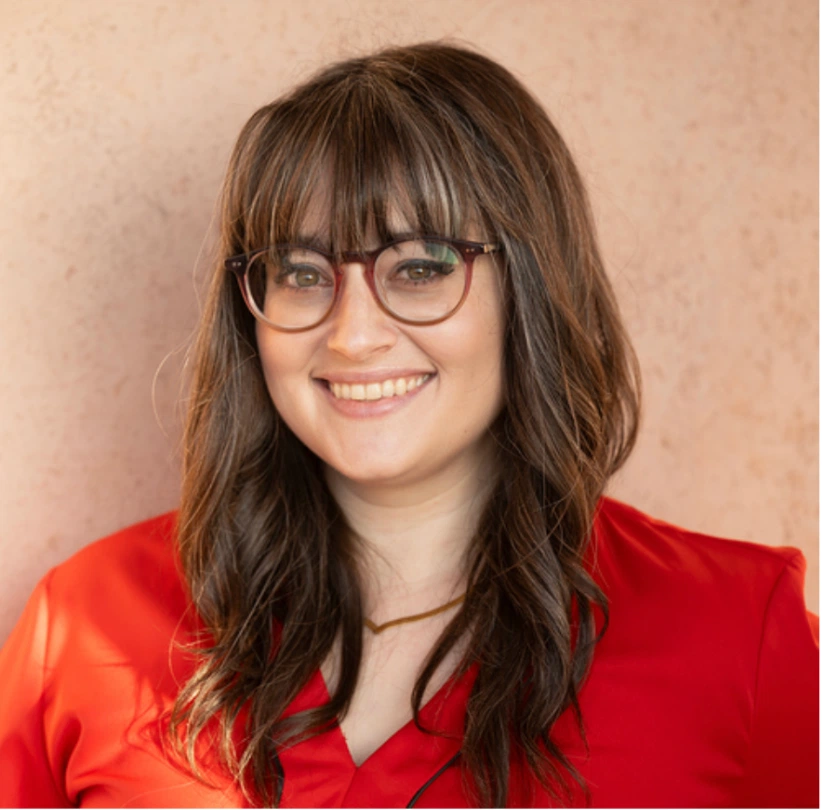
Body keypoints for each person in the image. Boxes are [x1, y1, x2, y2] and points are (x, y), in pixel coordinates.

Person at [0, 41, 817, 809]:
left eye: (421, 266)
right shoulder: (85, 623)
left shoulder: (740, 638)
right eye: (301, 271)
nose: (353, 334)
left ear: (530, 289)